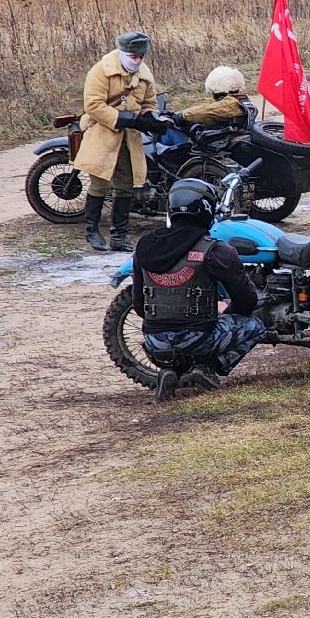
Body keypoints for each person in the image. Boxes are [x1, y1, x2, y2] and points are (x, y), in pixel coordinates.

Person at [133, 178, 266, 403]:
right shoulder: (216, 251)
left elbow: (138, 305)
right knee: (256, 326)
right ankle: (207, 368)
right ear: (208, 210)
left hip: (155, 344)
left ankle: (171, 372)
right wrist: (225, 309)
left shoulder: (144, 246)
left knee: (182, 336)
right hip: (198, 339)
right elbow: (247, 301)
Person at [76, 31, 167, 252]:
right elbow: (94, 105)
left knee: (126, 185)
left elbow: (149, 102)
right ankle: (92, 232)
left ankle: (119, 235)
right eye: (133, 56)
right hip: (102, 133)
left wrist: (152, 118)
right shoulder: (101, 71)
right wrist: (124, 118)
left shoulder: (144, 74)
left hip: (130, 138)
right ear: (122, 52)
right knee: (99, 183)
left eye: (140, 57)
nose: (137, 61)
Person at [174, 66, 257, 129]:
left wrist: (182, 115)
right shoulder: (243, 101)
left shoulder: (230, 104)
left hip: (225, 146)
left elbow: (203, 112)